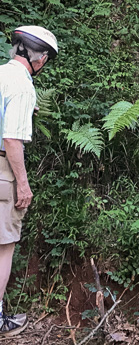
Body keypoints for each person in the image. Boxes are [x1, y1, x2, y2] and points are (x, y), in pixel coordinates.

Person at [0, 26, 58, 337]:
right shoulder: (22, 86)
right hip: (1, 171)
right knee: (3, 246)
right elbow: (11, 139)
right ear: (42, 59)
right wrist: (22, 183)